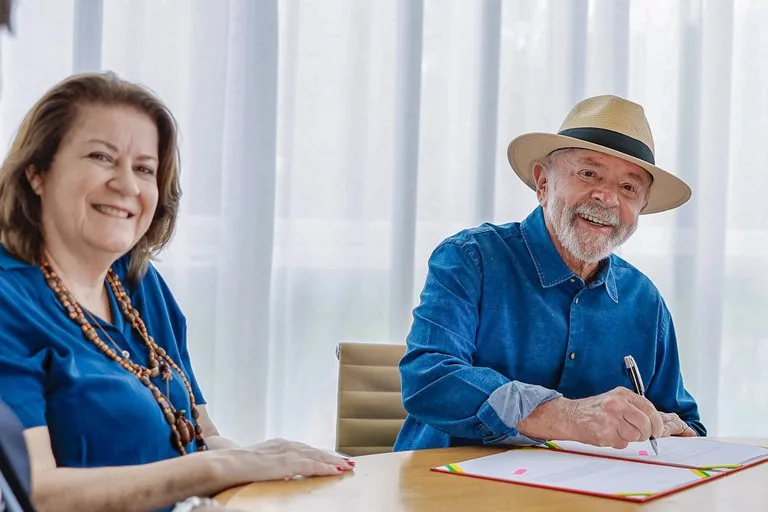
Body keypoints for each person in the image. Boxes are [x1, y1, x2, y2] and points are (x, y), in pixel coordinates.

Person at [0, 71, 354, 512]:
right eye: (101, 157)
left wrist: (274, 468)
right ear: (37, 173)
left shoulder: (136, 280)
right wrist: (227, 468)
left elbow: (202, 436)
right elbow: (35, 491)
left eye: (144, 168)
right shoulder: (8, 300)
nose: (127, 185)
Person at [394, 95, 706, 452]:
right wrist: (567, 416)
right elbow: (428, 378)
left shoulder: (646, 301)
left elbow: (687, 421)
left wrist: (670, 428)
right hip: (451, 491)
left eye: (628, 188)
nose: (606, 198)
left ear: (641, 207)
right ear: (543, 182)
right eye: (589, 174)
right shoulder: (470, 259)